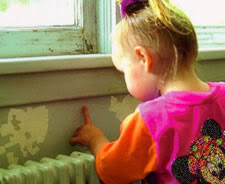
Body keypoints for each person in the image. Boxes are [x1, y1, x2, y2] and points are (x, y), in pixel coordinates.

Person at [70, 0, 225, 183]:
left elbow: (112, 170)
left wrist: (96, 139)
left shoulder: (151, 119)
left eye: (124, 71)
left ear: (143, 58)